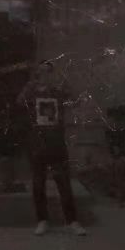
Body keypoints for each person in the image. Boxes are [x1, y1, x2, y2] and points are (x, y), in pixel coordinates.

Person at [17, 61, 86, 236]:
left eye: (49, 71)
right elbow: (20, 102)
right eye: (42, 71)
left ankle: (72, 221)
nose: (45, 74)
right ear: (38, 73)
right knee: (38, 182)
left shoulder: (58, 90)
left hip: (56, 141)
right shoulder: (32, 90)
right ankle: (42, 220)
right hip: (37, 141)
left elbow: (76, 101)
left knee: (63, 182)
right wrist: (31, 86)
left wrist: (65, 83)